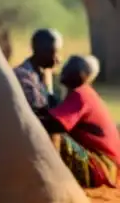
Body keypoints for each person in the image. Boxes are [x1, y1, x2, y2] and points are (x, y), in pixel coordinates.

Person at [37, 54, 119, 189]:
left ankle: (54, 180)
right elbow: (51, 114)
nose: (68, 72)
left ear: (86, 76)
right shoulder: (82, 94)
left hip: (102, 167)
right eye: (68, 68)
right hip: (107, 167)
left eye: (74, 70)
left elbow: (56, 124)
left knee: (56, 135)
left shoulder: (80, 94)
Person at [13, 28, 63, 111]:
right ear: (41, 51)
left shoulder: (45, 73)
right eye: (54, 53)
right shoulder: (23, 76)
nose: (58, 60)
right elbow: (37, 109)